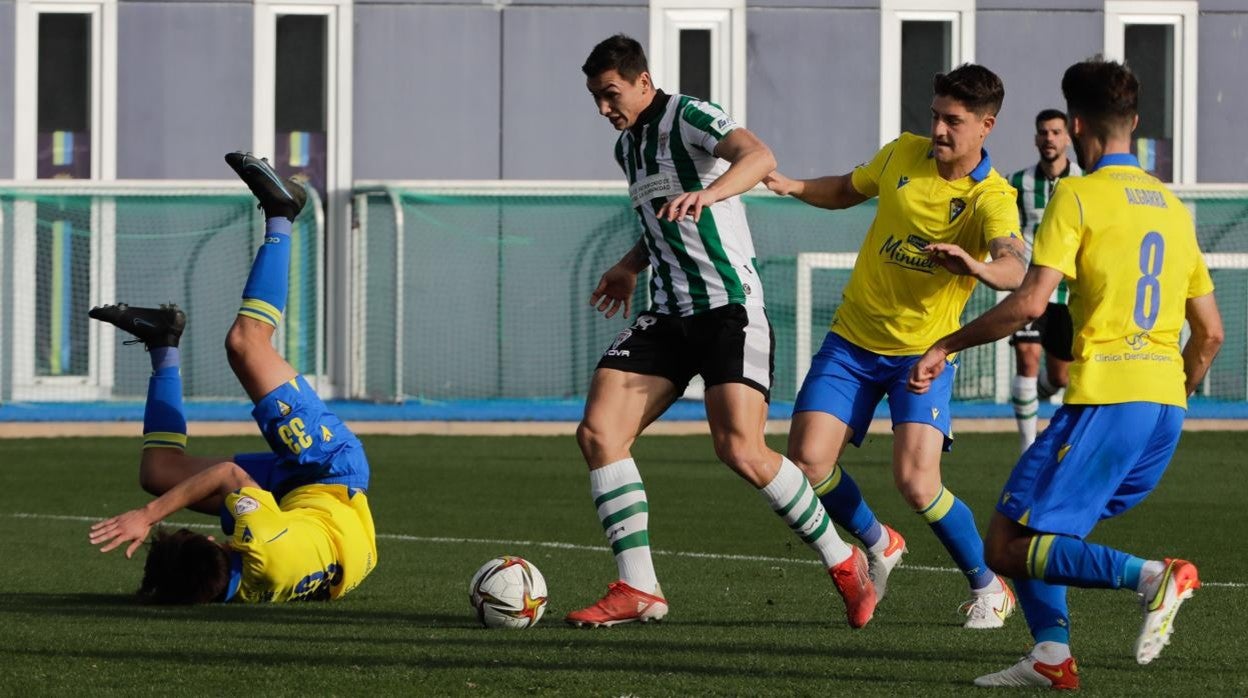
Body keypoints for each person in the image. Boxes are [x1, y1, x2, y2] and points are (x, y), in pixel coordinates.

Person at [908, 58, 1223, 689]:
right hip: (1163, 408)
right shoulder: (1172, 205)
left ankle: (1154, 578)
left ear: (1077, 126)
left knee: (1004, 546)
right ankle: (1052, 655)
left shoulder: (1075, 195)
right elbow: (1211, 333)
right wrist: (1174, 395)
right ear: (1132, 124)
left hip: (1107, 399)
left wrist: (950, 341)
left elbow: (1030, 301)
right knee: (1030, 527)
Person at [567, 34, 875, 629]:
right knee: (599, 431)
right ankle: (640, 589)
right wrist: (631, 266)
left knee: (739, 448)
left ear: (642, 82)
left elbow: (759, 156)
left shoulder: (689, 115)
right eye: (595, 99)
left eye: (611, 95)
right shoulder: (627, 149)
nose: (604, 108)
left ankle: (845, 562)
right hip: (669, 312)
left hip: (729, 305)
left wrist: (708, 192)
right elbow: (663, 222)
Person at [764, 64, 1025, 629]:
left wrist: (976, 265)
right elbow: (846, 189)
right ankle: (880, 542)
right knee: (807, 464)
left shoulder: (991, 198)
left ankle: (989, 586)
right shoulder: (902, 153)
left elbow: (1015, 265)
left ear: (986, 126)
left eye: (953, 121)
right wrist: (794, 186)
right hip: (852, 340)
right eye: (935, 115)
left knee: (916, 482)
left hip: (922, 355)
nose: (938, 129)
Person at [87, 152, 377, 604]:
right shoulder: (260, 544)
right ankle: (283, 212)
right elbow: (227, 475)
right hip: (330, 471)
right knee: (245, 344)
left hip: (294, 501)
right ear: (207, 543)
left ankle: (163, 342)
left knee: (159, 472)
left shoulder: (246, 588)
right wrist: (148, 516)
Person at [1006, 109, 1082, 452]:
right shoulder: (1018, 182)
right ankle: (1027, 449)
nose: (1049, 138)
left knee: (1061, 377)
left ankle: (1038, 391)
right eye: (1043, 132)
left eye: (1055, 132)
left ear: (1067, 137)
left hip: (1069, 292)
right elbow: (1005, 227)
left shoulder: (1084, 181)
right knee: (1026, 356)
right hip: (1030, 286)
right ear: (1036, 138)